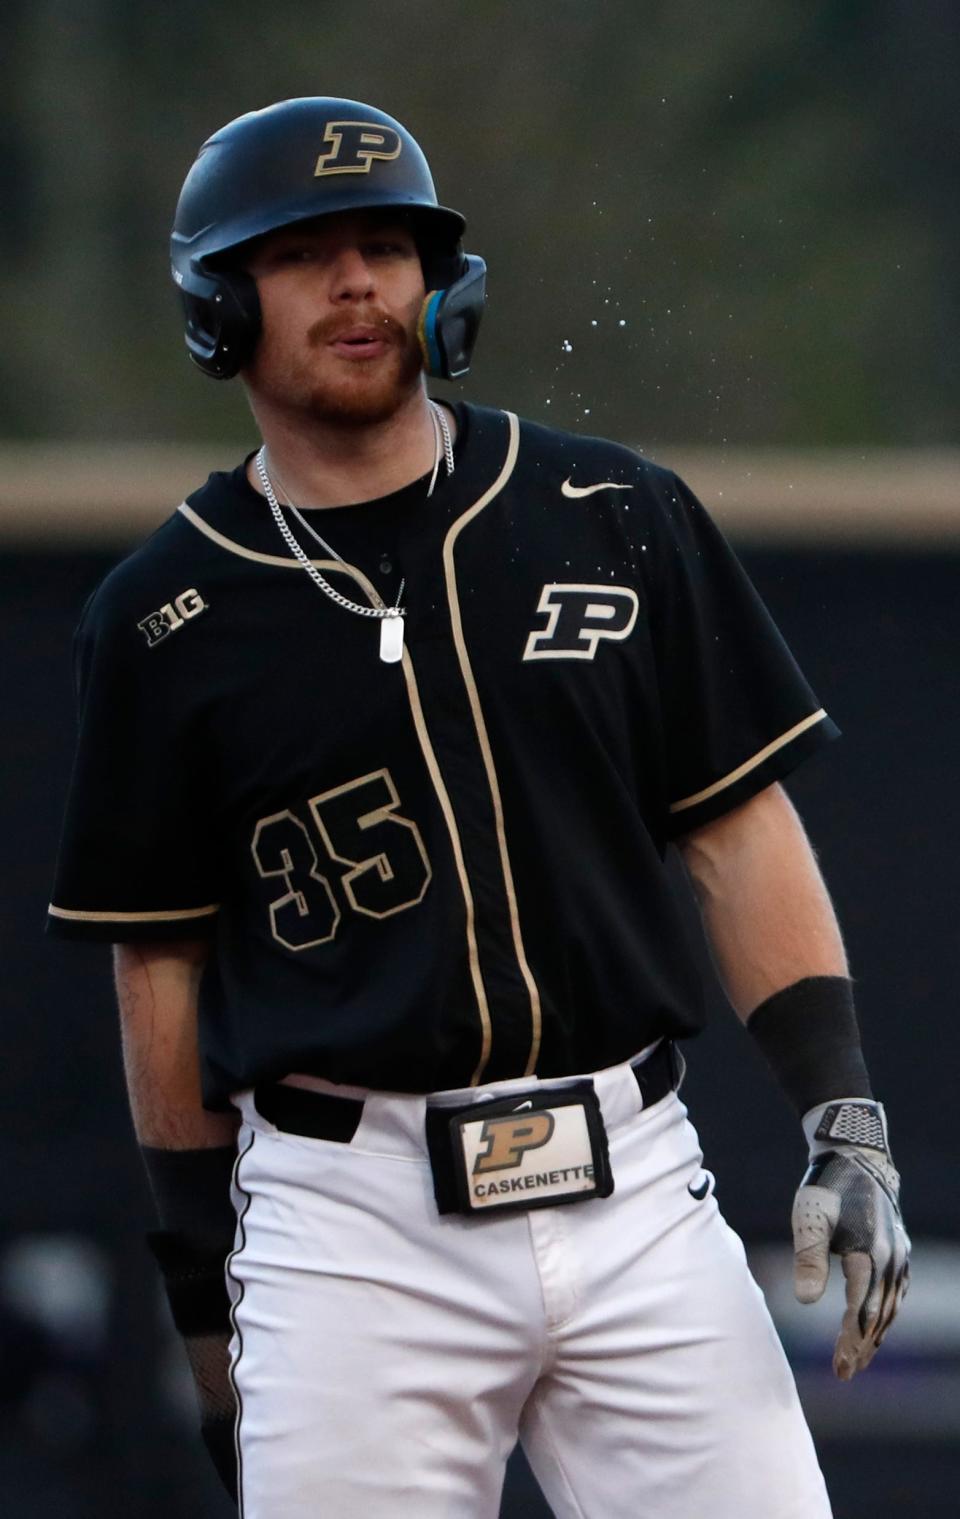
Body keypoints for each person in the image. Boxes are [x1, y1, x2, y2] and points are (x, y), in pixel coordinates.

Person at [48, 97, 909, 1519]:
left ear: (443, 284)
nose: (357, 284)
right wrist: (206, 1290)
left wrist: (846, 1117)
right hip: (350, 1224)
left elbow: (734, 827)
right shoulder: (160, 618)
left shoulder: (611, 509)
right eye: (304, 253)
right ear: (215, 305)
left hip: (633, 1184)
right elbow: (162, 967)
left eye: (388, 245)